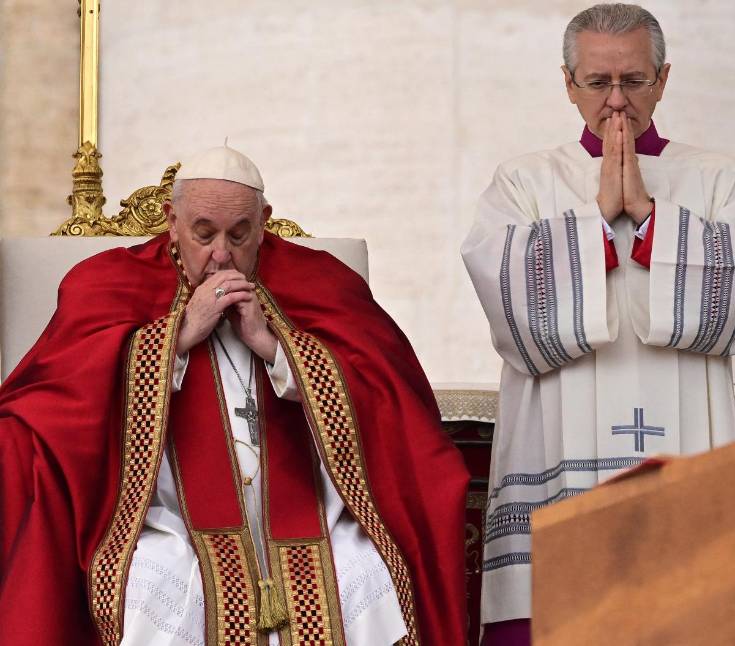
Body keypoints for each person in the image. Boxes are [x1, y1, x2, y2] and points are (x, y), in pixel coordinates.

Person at [0, 146, 469, 645]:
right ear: (170, 219)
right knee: (151, 586)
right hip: (165, 522)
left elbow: (389, 396)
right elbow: (53, 401)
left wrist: (277, 349)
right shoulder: (107, 282)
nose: (221, 253)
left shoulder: (323, 281)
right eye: (203, 233)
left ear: (264, 222)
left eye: (239, 234)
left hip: (313, 515)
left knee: (367, 577)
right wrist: (174, 338)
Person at [461, 4, 735, 643]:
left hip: (681, 444)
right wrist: (600, 219)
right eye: (597, 82)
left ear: (663, 79)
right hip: (556, 446)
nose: (616, 102)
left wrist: (647, 214)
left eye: (634, 82)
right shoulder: (524, 181)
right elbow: (507, 301)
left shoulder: (718, 178)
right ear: (567, 83)